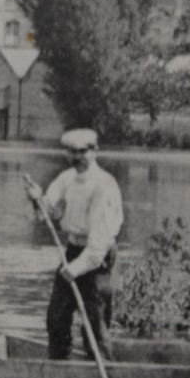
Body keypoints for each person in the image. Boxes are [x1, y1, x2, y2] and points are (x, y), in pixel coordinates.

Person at [25, 128, 124, 360]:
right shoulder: (66, 178)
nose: (77, 158)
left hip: (98, 258)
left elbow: (98, 244)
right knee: (56, 317)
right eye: (71, 152)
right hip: (73, 251)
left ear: (95, 151)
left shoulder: (104, 186)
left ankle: (104, 375)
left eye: (82, 152)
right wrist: (36, 200)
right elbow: (46, 213)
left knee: (94, 324)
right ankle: (60, 370)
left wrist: (76, 269)